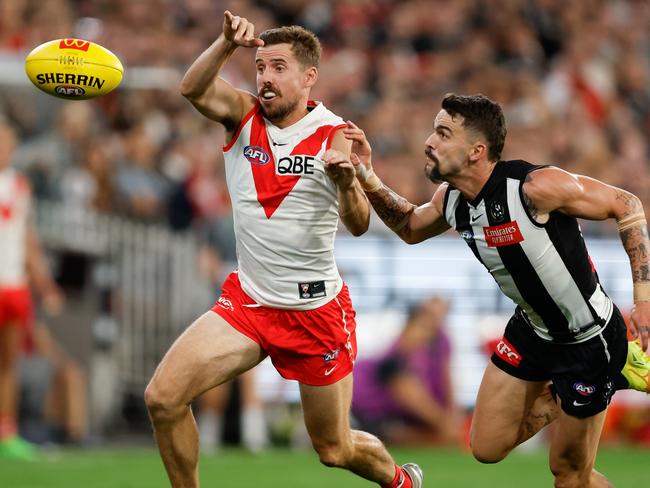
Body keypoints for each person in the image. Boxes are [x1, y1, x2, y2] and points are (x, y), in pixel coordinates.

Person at [144, 11, 422, 488]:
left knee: (334, 449)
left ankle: (400, 480)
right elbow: (192, 89)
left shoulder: (337, 134)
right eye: (260, 67)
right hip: (249, 304)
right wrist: (226, 44)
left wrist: (347, 182)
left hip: (313, 312)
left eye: (278, 68)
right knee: (162, 398)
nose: (266, 79)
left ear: (309, 77)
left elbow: (357, 225)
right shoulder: (243, 113)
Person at [343, 93, 650, 487]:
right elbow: (410, 227)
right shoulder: (451, 200)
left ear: (476, 151)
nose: (428, 142)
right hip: (531, 331)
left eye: (442, 133)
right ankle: (577, 389)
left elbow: (627, 204)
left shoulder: (534, 186)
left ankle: (614, 366)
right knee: (486, 447)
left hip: (586, 340)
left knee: (570, 476)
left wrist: (642, 303)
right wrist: (366, 175)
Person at [0, 121, 64, 459]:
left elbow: (27, 240)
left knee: (10, 363)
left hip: (14, 286)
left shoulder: (19, 185)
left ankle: (6, 431)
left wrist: (46, 286)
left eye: (8, 143)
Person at [352, 296, 461, 446]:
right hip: (366, 416)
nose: (426, 335)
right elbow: (411, 396)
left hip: (396, 417)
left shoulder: (427, 353)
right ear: (408, 327)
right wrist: (445, 424)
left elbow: (446, 382)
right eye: (422, 327)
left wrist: (450, 419)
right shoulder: (397, 356)